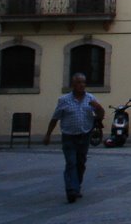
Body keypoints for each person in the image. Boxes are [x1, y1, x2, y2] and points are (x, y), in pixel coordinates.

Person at [44, 73, 105, 203]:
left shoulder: (90, 98)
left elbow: (100, 115)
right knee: (71, 163)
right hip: (69, 136)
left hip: (85, 135)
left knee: (81, 163)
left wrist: (98, 107)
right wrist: (48, 135)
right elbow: (55, 118)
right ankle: (71, 190)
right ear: (73, 84)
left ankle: (76, 187)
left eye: (83, 82)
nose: (81, 85)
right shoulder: (64, 100)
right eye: (78, 82)